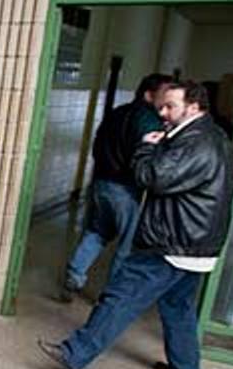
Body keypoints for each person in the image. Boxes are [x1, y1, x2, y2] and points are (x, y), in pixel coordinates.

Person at [39, 81, 233, 369]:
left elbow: (152, 177)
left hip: (172, 242)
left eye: (171, 106)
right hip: (198, 244)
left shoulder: (195, 142)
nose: (163, 112)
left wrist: (146, 147)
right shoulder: (218, 139)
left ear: (194, 107)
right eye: (162, 105)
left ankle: (74, 353)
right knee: (178, 309)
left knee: (120, 296)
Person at [60, 72, 172, 302]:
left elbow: (97, 145)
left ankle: (75, 275)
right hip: (126, 189)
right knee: (126, 244)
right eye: (164, 96)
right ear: (149, 95)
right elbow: (147, 158)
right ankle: (111, 296)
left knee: (97, 232)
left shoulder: (117, 113)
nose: (167, 102)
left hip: (101, 183)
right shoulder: (149, 121)